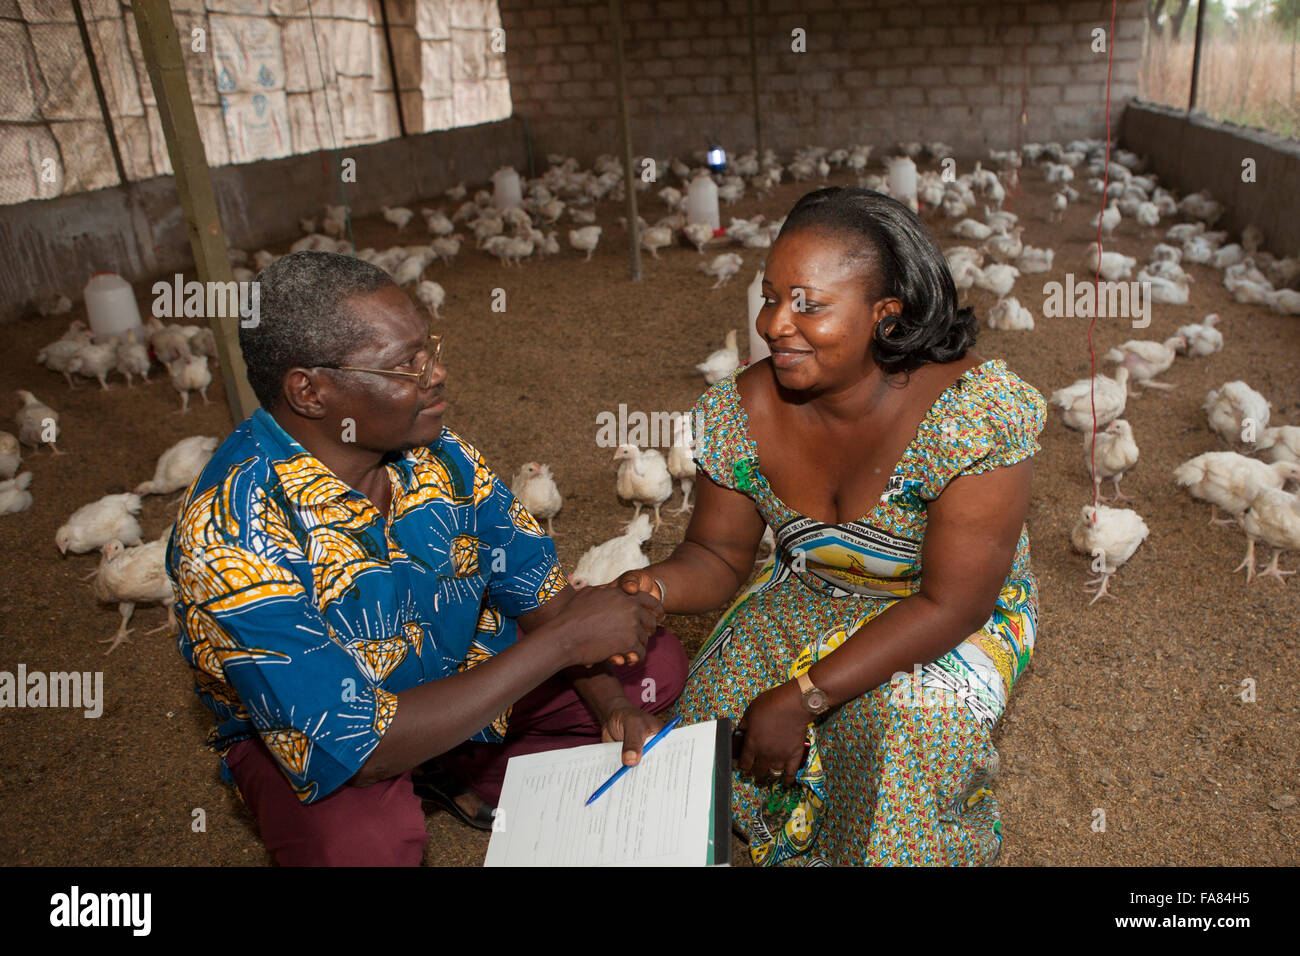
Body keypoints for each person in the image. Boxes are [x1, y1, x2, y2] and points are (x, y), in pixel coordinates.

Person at [168, 250, 686, 866]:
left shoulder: (440, 455)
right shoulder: (231, 530)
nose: (436, 373)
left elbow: (537, 593)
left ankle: (458, 763)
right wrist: (566, 643)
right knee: (362, 845)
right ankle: (437, 766)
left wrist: (615, 707)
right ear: (310, 391)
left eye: (429, 350)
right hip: (324, 734)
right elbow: (355, 745)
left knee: (652, 665)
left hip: (445, 678)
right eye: (405, 365)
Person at [617, 187, 1046, 866]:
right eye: (770, 297)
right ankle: (796, 842)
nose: (775, 324)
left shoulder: (973, 414)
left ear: (886, 316)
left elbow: (955, 603)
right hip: (813, 589)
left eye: (808, 304)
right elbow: (716, 553)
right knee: (712, 717)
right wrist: (649, 587)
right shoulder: (742, 410)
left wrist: (804, 695)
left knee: (908, 725)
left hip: (944, 611)